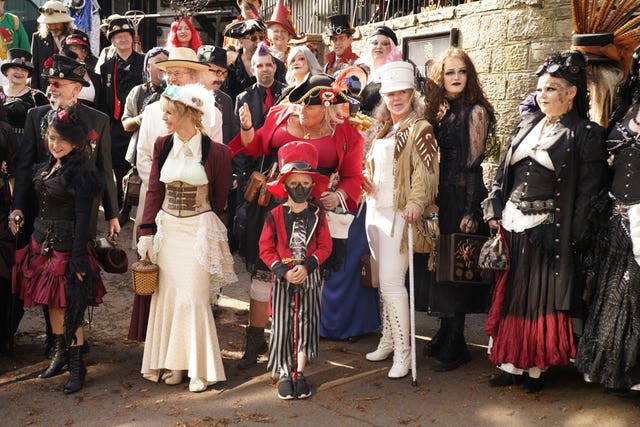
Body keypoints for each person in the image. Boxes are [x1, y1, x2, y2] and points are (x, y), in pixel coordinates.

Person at [482, 50, 606, 392]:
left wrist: (575, 235)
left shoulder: (584, 133)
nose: (543, 94)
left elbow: (588, 191)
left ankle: (535, 369)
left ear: (571, 93)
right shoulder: (526, 124)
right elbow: (501, 173)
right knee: (511, 297)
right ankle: (509, 365)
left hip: (549, 232)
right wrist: (493, 210)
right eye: (540, 89)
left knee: (538, 300)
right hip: (512, 224)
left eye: (552, 88)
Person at [229, 74, 363, 369]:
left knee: (306, 279)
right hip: (273, 207)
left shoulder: (345, 133)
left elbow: (354, 177)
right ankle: (254, 343)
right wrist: (248, 127)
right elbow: (254, 147)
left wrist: (338, 195)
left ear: (327, 108)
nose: (300, 110)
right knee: (264, 274)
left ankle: (298, 347)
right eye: (299, 103)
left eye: (309, 107)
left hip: (315, 214)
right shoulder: (280, 114)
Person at [10, 53, 119, 358]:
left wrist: (111, 213)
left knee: (76, 274)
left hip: (81, 213)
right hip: (45, 210)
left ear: (76, 88)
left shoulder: (97, 120)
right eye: (50, 83)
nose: (52, 88)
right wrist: (17, 207)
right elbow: (23, 167)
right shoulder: (37, 116)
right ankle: (55, 339)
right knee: (47, 277)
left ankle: (74, 340)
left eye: (59, 83)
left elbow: (104, 168)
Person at [137, 83, 236, 393]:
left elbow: (220, 199)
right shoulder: (162, 145)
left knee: (192, 298)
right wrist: (146, 231)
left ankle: (199, 367)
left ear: (189, 114)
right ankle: (175, 364)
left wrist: (209, 229)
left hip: (197, 231)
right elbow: (155, 189)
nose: (164, 117)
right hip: (168, 230)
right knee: (167, 298)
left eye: (169, 112)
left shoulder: (217, 152)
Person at [12, 105, 106, 394]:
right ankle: (61, 354)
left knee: (70, 306)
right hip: (42, 242)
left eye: (61, 140)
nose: (55, 144)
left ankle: (77, 366)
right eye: (52, 138)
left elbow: (82, 219)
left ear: (77, 142)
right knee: (51, 303)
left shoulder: (82, 170)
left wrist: (78, 258)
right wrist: (19, 214)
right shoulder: (49, 165)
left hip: (67, 246)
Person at [131, 47, 220, 338]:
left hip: (197, 210)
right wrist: (163, 191)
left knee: (193, 289)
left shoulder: (211, 112)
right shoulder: (154, 109)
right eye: (168, 72)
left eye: (178, 72)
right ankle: (161, 345)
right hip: (158, 201)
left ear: (194, 76)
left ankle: (191, 345)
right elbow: (145, 155)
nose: (171, 77)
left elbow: (212, 165)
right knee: (160, 285)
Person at [422, 47, 496, 372]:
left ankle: (457, 342)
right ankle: (445, 331)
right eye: (450, 72)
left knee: (459, 268)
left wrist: (471, 211)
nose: (455, 78)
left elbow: (472, 164)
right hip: (444, 195)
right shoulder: (444, 111)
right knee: (444, 266)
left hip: (464, 197)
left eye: (461, 72)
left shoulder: (476, 111)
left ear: (470, 76)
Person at [363, 61, 439, 378]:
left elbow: (427, 171)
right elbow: (374, 167)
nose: (396, 99)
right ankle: (389, 340)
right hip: (373, 210)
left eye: (402, 93)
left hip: (399, 214)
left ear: (412, 94)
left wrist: (416, 203)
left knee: (394, 283)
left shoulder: (422, 128)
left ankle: (404, 354)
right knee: (382, 282)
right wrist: (366, 179)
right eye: (391, 94)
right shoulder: (384, 128)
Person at [574, 45, 640, 394]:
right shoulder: (623, 112)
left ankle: (633, 371)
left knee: (633, 289)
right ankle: (610, 369)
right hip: (614, 216)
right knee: (610, 290)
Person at [259, 141, 332, 399]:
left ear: (312, 185)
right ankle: (283, 371)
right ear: (284, 185)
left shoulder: (317, 215)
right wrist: (282, 270)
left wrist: (309, 264)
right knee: (282, 322)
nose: (300, 189)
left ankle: (299, 370)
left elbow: (325, 246)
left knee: (307, 321)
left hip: (310, 278)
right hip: (282, 280)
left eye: (305, 183)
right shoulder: (275, 215)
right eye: (293, 183)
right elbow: (265, 248)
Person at [121, 47, 168, 342]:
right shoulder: (139, 93)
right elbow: (125, 124)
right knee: (145, 240)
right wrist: (145, 118)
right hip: (148, 178)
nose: (162, 68)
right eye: (158, 63)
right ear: (148, 65)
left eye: (168, 64)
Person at [99, 17, 144, 218]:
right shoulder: (106, 67)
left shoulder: (144, 62)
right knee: (118, 166)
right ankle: (121, 205)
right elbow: (102, 99)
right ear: (112, 40)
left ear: (132, 38)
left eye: (126, 35)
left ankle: (138, 203)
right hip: (116, 124)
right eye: (118, 37)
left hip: (141, 123)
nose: (123, 40)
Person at [225, 19, 286, 102]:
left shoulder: (277, 65)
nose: (258, 41)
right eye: (253, 38)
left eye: (261, 38)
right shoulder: (231, 67)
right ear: (241, 41)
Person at [0, 49, 48, 143]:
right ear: (6, 71)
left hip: (25, 145)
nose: (19, 72)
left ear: (28, 74)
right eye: (15, 68)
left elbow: (45, 126)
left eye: (23, 70)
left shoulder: (37, 96)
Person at [0, 100, 17, 354]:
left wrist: (14, 209)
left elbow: (13, 172)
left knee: (3, 274)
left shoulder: (4, 130)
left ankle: (4, 335)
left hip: (1, 207)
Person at [30, 1, 75, 92]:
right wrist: (35, 93)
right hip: (45, 89)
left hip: (70, 88)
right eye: (49, 24)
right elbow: (34, 67)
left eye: (56, 23)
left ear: (65, 22)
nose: (53, 27)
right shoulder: (38, 38)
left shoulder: (76, 37)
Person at [358, 26, 402, 116]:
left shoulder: (396, 76)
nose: (379, 47)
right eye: (374, 43)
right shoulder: (360, 71)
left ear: (392, 49)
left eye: (385, 44)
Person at [197, 45, 236, 144]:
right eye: (218, 72)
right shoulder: (185, 97)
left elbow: (228, 139)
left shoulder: (226, 101)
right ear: (200, 70)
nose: (221, 79)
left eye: (224, 74)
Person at [63, 30, 101, 108]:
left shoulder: (96, 78)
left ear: (85, 52)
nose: (71, 53)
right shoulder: (58, 75)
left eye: (75, 49)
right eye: (68, 49)